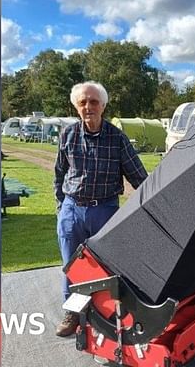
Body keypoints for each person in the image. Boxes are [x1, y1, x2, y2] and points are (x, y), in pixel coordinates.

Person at [53, 81, 148, 337]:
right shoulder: (68, 135)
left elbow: (139, 178)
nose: (88, 107)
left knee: (107, 269)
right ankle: (72, 314)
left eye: (94, 102)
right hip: (72, 212)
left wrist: (155, 205)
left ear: (103, 105)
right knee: (71, 266)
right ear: (76, 106)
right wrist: (62, 208)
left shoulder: (117, 139)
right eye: (82, 102)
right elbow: (59, 174)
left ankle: (106, 317)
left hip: (105, 212)